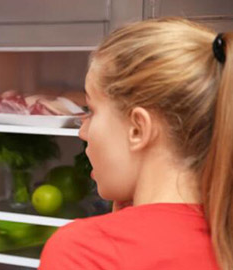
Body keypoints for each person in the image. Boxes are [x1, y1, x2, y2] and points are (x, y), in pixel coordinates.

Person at [40, 18, 232, 270]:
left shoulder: (83, 252)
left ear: (138, 129)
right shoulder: (224, 238)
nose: (83, 132)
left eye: (92, 110)